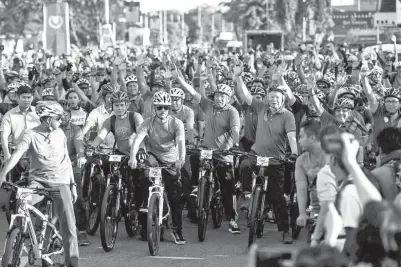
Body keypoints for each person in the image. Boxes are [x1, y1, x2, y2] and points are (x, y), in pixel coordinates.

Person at [0, 101, 79, 267]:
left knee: (70, 227)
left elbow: (66, 161)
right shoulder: (30, 134)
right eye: (58, 118)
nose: (61, 121)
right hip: (38, 181)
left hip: (61, 181)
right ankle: (21, 240)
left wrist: (73, 185)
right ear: (48, 119)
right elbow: (15, 156)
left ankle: (73, 263)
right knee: (24, 204)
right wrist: (2, 175)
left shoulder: (60, 134)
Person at [235, 67, 298, 243]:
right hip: (257, 154)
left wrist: (294, 153)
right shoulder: (261, 107)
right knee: (245, 165)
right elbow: (247, 96)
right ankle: (248, 193)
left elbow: (292, 136)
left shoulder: (288, 116)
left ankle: (285, 230)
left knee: (277, 197)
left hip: (276, 160)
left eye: (277, 98)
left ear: (283, 100)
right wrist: (238, 77)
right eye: (271, 98)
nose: (273, 101)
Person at [176, 68, 241, 234]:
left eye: (223, 96)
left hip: (223, 153)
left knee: (228, 188)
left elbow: (235, 130)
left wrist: (235, 145)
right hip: (207, 150)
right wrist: (181, 80)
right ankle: (199, 186)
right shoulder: (208, 105)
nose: (219, 98)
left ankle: (232, 219)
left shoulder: (232, 112)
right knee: (194, 158)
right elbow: (193, 92)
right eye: (217, 95)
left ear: (228, 98)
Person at [129, 91, 187, 245]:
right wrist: (132, 157)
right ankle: (145, 225)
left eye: (166, 108)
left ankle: (176, 229)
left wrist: (181, 159)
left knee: (175, 196)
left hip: (171, 160)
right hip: (153, 158)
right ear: (155, 108)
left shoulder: (176, 123)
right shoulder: (147, 122)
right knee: (144, 184)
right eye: (160, 108)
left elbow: (181, 143)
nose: (163, 111)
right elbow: (137, 141)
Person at [60, 106, 89, 246]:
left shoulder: (75, 129)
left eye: (66, 114)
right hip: (52, 166)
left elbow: (79, 145)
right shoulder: (50, 127)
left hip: (72, 164)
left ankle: (82, 231)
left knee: (77, 197)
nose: (62, 117)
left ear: (70, 116)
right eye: (60, 114)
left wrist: (81, 156)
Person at [0, 84, 40, 181]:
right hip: (17, 155)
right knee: (15, 186)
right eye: (24, 97)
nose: (27, 100)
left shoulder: (39, 112)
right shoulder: (9, 115)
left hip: (37, 153)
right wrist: (6, 153)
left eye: (29, 97)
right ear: (18, 98)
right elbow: (4, 135)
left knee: (36, 186)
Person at [295, 120, 326, 228]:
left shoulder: (333, 155)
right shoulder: (301, 161)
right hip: (316, 210)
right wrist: (302, 213)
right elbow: (301, 187)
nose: (298, 141)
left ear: (312, 138)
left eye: (301, 137)